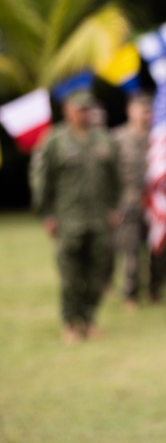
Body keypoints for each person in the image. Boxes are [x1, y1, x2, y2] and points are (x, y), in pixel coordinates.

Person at [30, 90, 120, 344]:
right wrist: (47, 214)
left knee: (96, 273)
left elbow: (115, 178)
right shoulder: (54, 140)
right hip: (68, 218)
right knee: (70, 274)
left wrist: (114, 207)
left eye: (88, 108)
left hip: (99, 217)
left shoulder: (104, 139)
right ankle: (70, 323)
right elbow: (41, 180)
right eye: (80, 109)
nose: (85, 113)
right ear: (67, 110)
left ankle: (89, 319)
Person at [112, 90, 166, 310]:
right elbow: (110, 175)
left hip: (155, 202)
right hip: (129, 202)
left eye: (149, 110)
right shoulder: (118, 138)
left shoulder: (160, 139)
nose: (145, 115)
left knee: (158, 251)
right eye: (141, 110)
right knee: (131, 252)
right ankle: (130, 294)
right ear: (130, 111)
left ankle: (156, 290)